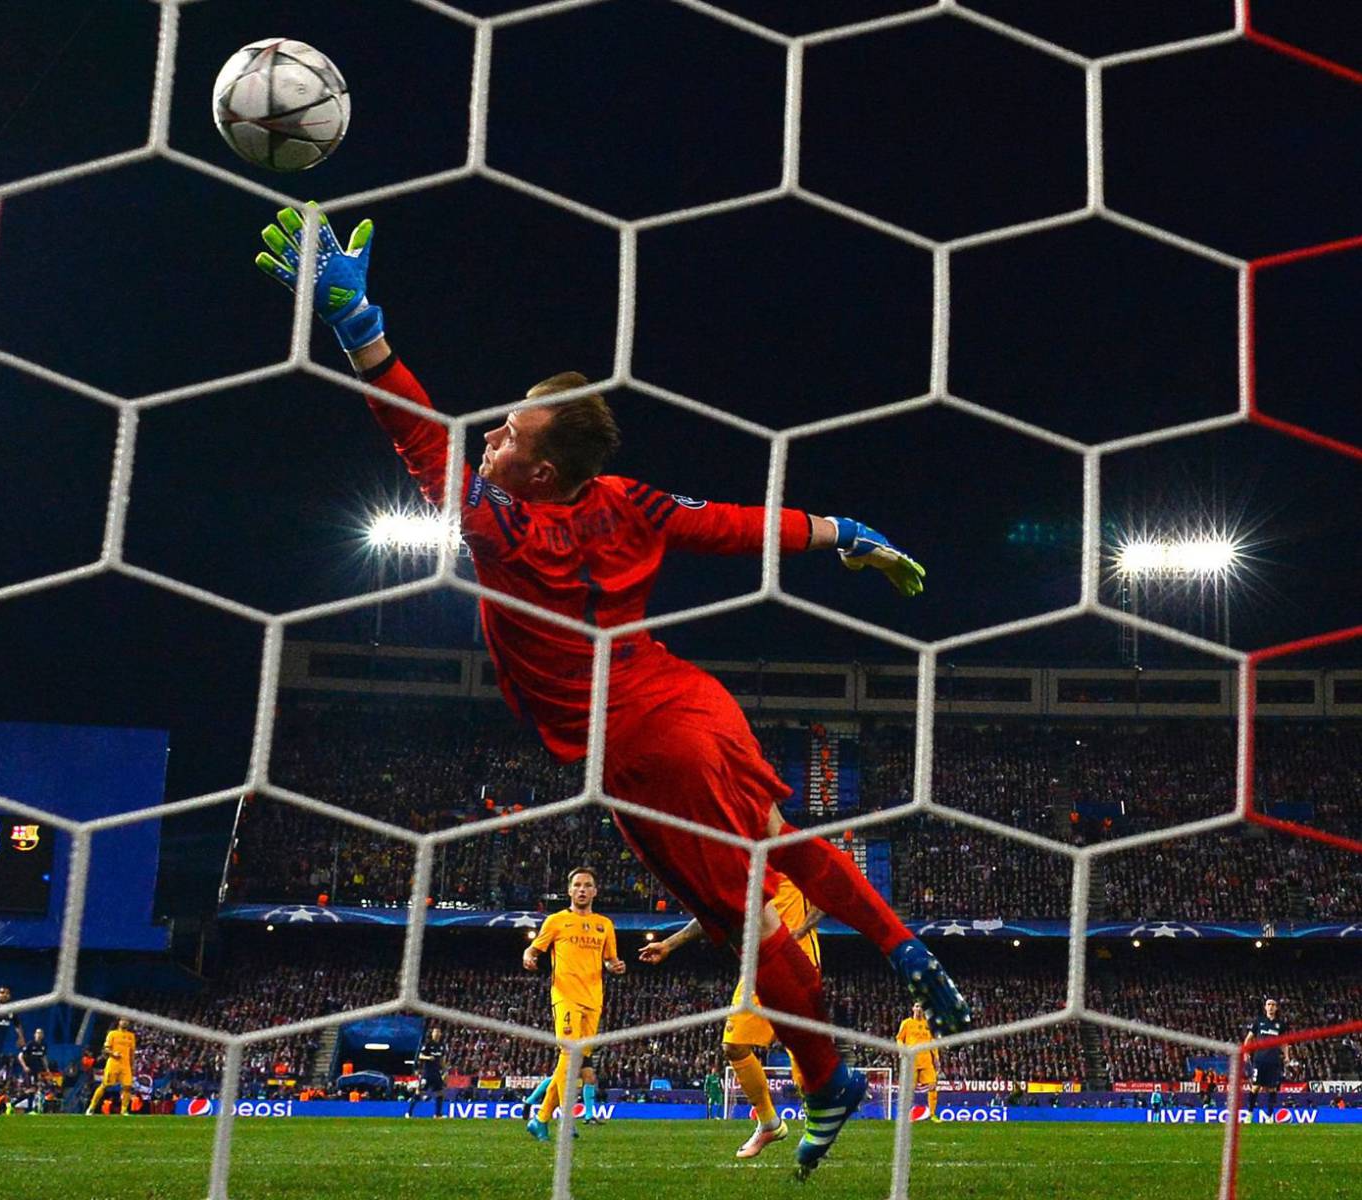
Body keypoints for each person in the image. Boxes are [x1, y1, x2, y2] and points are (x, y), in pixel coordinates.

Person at [254, 204, 971, 1179]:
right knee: (776, 835)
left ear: (539, 470)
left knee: (742, 923)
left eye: (506, 435)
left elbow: (417, 439)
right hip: (687, 698)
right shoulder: (624, 499)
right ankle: (893, 950)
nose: (491, 436)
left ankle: (830, 1074)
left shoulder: (497, 530)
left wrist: (359, 333)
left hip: (636, 750)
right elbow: (728, 523)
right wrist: (841, 532)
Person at [643, 870, 823, 1158]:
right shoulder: (738, 865)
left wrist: (800, 931)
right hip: (759, 966)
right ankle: (769, 1123)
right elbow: (712, 913)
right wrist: (669, 944)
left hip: (798, 962)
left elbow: (825, 896)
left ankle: (818, 1129)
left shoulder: (790, 851)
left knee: (803, 1056)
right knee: (734, 1045)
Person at [520, 866, 625, 1142]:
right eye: (577, 885)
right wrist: (528, 955)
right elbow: (535, 948)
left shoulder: (605, 924)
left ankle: (540, 1119)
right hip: (565, 996)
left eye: (587, 885)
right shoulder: (555, 921)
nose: (582, 889)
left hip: (594, 1000)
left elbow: (610, 959)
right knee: (568, 1055)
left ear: (595, 891)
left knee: (572, 1061)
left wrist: (615, 966)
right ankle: (551, 1118)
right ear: (569, 891)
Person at [1243, 997, 1291, 1116]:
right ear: (1265, 1007)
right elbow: (1248, 1038)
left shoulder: (1281, 1024)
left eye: (1273, 1005)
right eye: (1268, 1004)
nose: (1271, 1007)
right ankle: (1249, 1114)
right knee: (1255, 1087)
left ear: (1276, 1008)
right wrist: (1245, 1052)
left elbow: (1284, 1043)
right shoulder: (1259, 1021)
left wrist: (1286, 1056)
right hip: (1259, 1060)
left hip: (1274, 1060)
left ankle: (1269, 1116)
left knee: (1272, 1089)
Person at [897, 1002, 941, 1121]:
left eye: (921, 1007)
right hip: (912, 1061)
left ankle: (932, 1115)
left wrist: (936, 1057)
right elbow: (899, 1039)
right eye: (916, 1006)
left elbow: (933, 1042)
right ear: (913, 1009)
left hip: (926, 1060)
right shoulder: (906, 1023)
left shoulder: (928, 1024)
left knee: (932, 1085)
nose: (919, 1009)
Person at [89, 1019, 137, 1116]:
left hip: (126, 1065)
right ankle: (91, 1107)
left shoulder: (131, 1036)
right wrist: (113, 1053)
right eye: (123, 1020)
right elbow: (106, 1049)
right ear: (119, 1022)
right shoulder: (112, 1034)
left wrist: (132, 1066)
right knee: (105, 1085)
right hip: (113, 1063)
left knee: (127, 1087)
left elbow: (132, 1053)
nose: (125, 1022)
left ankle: (123, 1110)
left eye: (127, 1021)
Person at [406, 1026, 446, 1118]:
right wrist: (428, 1057)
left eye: (438, 1032)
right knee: (419, 1092)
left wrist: (445, 1069)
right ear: (432, 1034)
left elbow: (442, 1060)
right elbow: (420, 1056)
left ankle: (437, 1114)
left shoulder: (441, 1046)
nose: (436, 1034)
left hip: (436, 1073)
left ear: (440, 1034)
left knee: (440, 1093)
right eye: (435, 1032)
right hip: (427, 1072)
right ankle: (409, 1113)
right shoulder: (428, 1044)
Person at [19, 1027, 51, 1114]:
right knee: (31, 1088)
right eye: (37, 1033)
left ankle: (28, 1108)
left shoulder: (43, 1046)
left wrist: (47, 1069)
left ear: (43, 1035)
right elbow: (20, 1056)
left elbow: (43, 1057)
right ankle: (24, 1107)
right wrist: (25, 1066)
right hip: (29, 1070)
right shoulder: (30, 1044)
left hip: (37, 1070)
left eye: (40, 1033)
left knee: (33, 1089)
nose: (39, 1035)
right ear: (34, 1035)